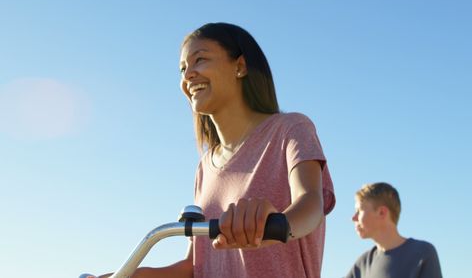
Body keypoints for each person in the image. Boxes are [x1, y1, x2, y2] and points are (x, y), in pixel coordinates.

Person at [94, 22, 335, 278]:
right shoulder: (204, 168)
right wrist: (129, 274)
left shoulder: (290, 129)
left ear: (240, 67)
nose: (187, 76)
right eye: (182, 69)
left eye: (200, 60)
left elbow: (311, 205)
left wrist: (278, 224)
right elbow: (194, 266)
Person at [345, 182, 442, 278]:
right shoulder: (362, 264)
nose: (353, 218)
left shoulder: (423, 253)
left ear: (382, 213)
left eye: (359, 210)